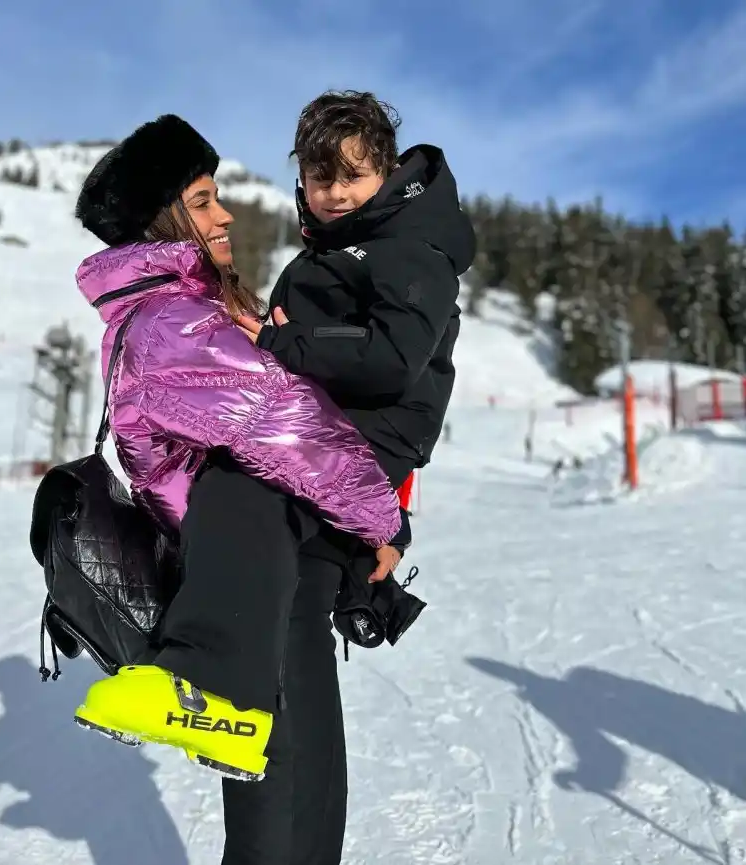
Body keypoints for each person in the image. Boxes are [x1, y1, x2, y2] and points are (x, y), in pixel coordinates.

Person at [69, 114, 402, 785]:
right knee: (292, 790)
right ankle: (213, 693)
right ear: (161, 222)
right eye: (201, 202)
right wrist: (382, 520)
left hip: (251, 566)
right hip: (250, 558)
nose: (224, 214)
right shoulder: (172, 319)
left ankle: (229, 706)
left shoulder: (171, 308)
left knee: (300, 779)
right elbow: (281, 421)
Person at [231, 90, 476, 864]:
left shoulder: (407, 244)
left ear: (386, 172)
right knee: (279, 642)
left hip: (345, 454)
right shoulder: (344, 246)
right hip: (326, 455)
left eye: (352, 175)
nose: (333, 191)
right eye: (317, 175)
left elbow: (391, 356)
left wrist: (280, 346)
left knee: (276, 640)